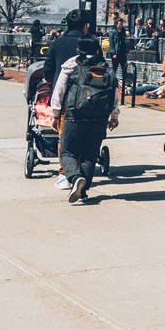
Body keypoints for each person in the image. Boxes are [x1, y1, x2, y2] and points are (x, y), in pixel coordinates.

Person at [46, 35, 118, 204]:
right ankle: (83, 191)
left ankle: (75, 177)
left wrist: (55, 114)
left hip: (74, 116)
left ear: (79, 50)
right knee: (90, 155)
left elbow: (59, 90)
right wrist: (114, 115)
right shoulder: (106, 68)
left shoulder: (72, 65)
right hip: (99, 119)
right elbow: (115, 93)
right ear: (98, 50)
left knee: (67, 151)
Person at [44, 10, 93, 190]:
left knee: (64, 139)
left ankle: (65, 174)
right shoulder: (91, 43)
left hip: (65, 97)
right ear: (85, 26)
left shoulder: (57, 43)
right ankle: (81, 170)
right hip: (90, 97)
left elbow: (48, 70)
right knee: (86, 137)